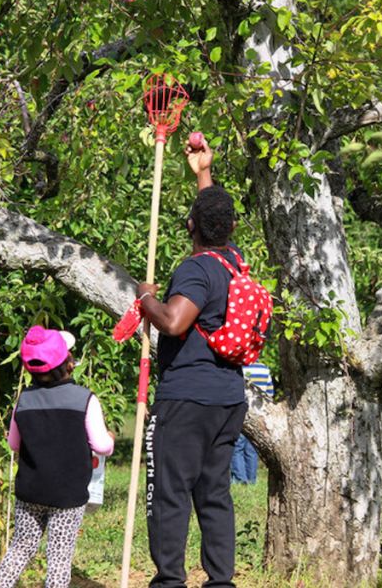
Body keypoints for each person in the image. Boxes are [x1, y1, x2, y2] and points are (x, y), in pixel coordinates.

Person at [136, 139, 247, 588]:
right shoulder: (233, 261)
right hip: (227, 400)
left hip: (186, 401)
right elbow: (214, 213)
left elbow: (175, 321)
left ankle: (169, 583)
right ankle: (221, 583)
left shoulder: (196, 267)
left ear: (189, 226)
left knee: (170, 494)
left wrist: (146, 297)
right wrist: (204, 172)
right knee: (214, 495)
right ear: (230, 226)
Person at [0, 325, 115, 588]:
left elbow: (14, 444)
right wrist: (111, 438)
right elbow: (102, 446)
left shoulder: (23, 401)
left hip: (30, 492)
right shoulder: (85, 399)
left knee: (19, 549)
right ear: (69, 364)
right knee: (59, 558)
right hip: (68, 497)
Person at [230, 362, 273, 485]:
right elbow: (270, 392)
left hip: (241, 411)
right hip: (259, 413)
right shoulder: (264, 368)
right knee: (252, 449)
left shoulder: (238, 367)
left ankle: (239, 480)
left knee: (237, 447)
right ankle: (251, 480)